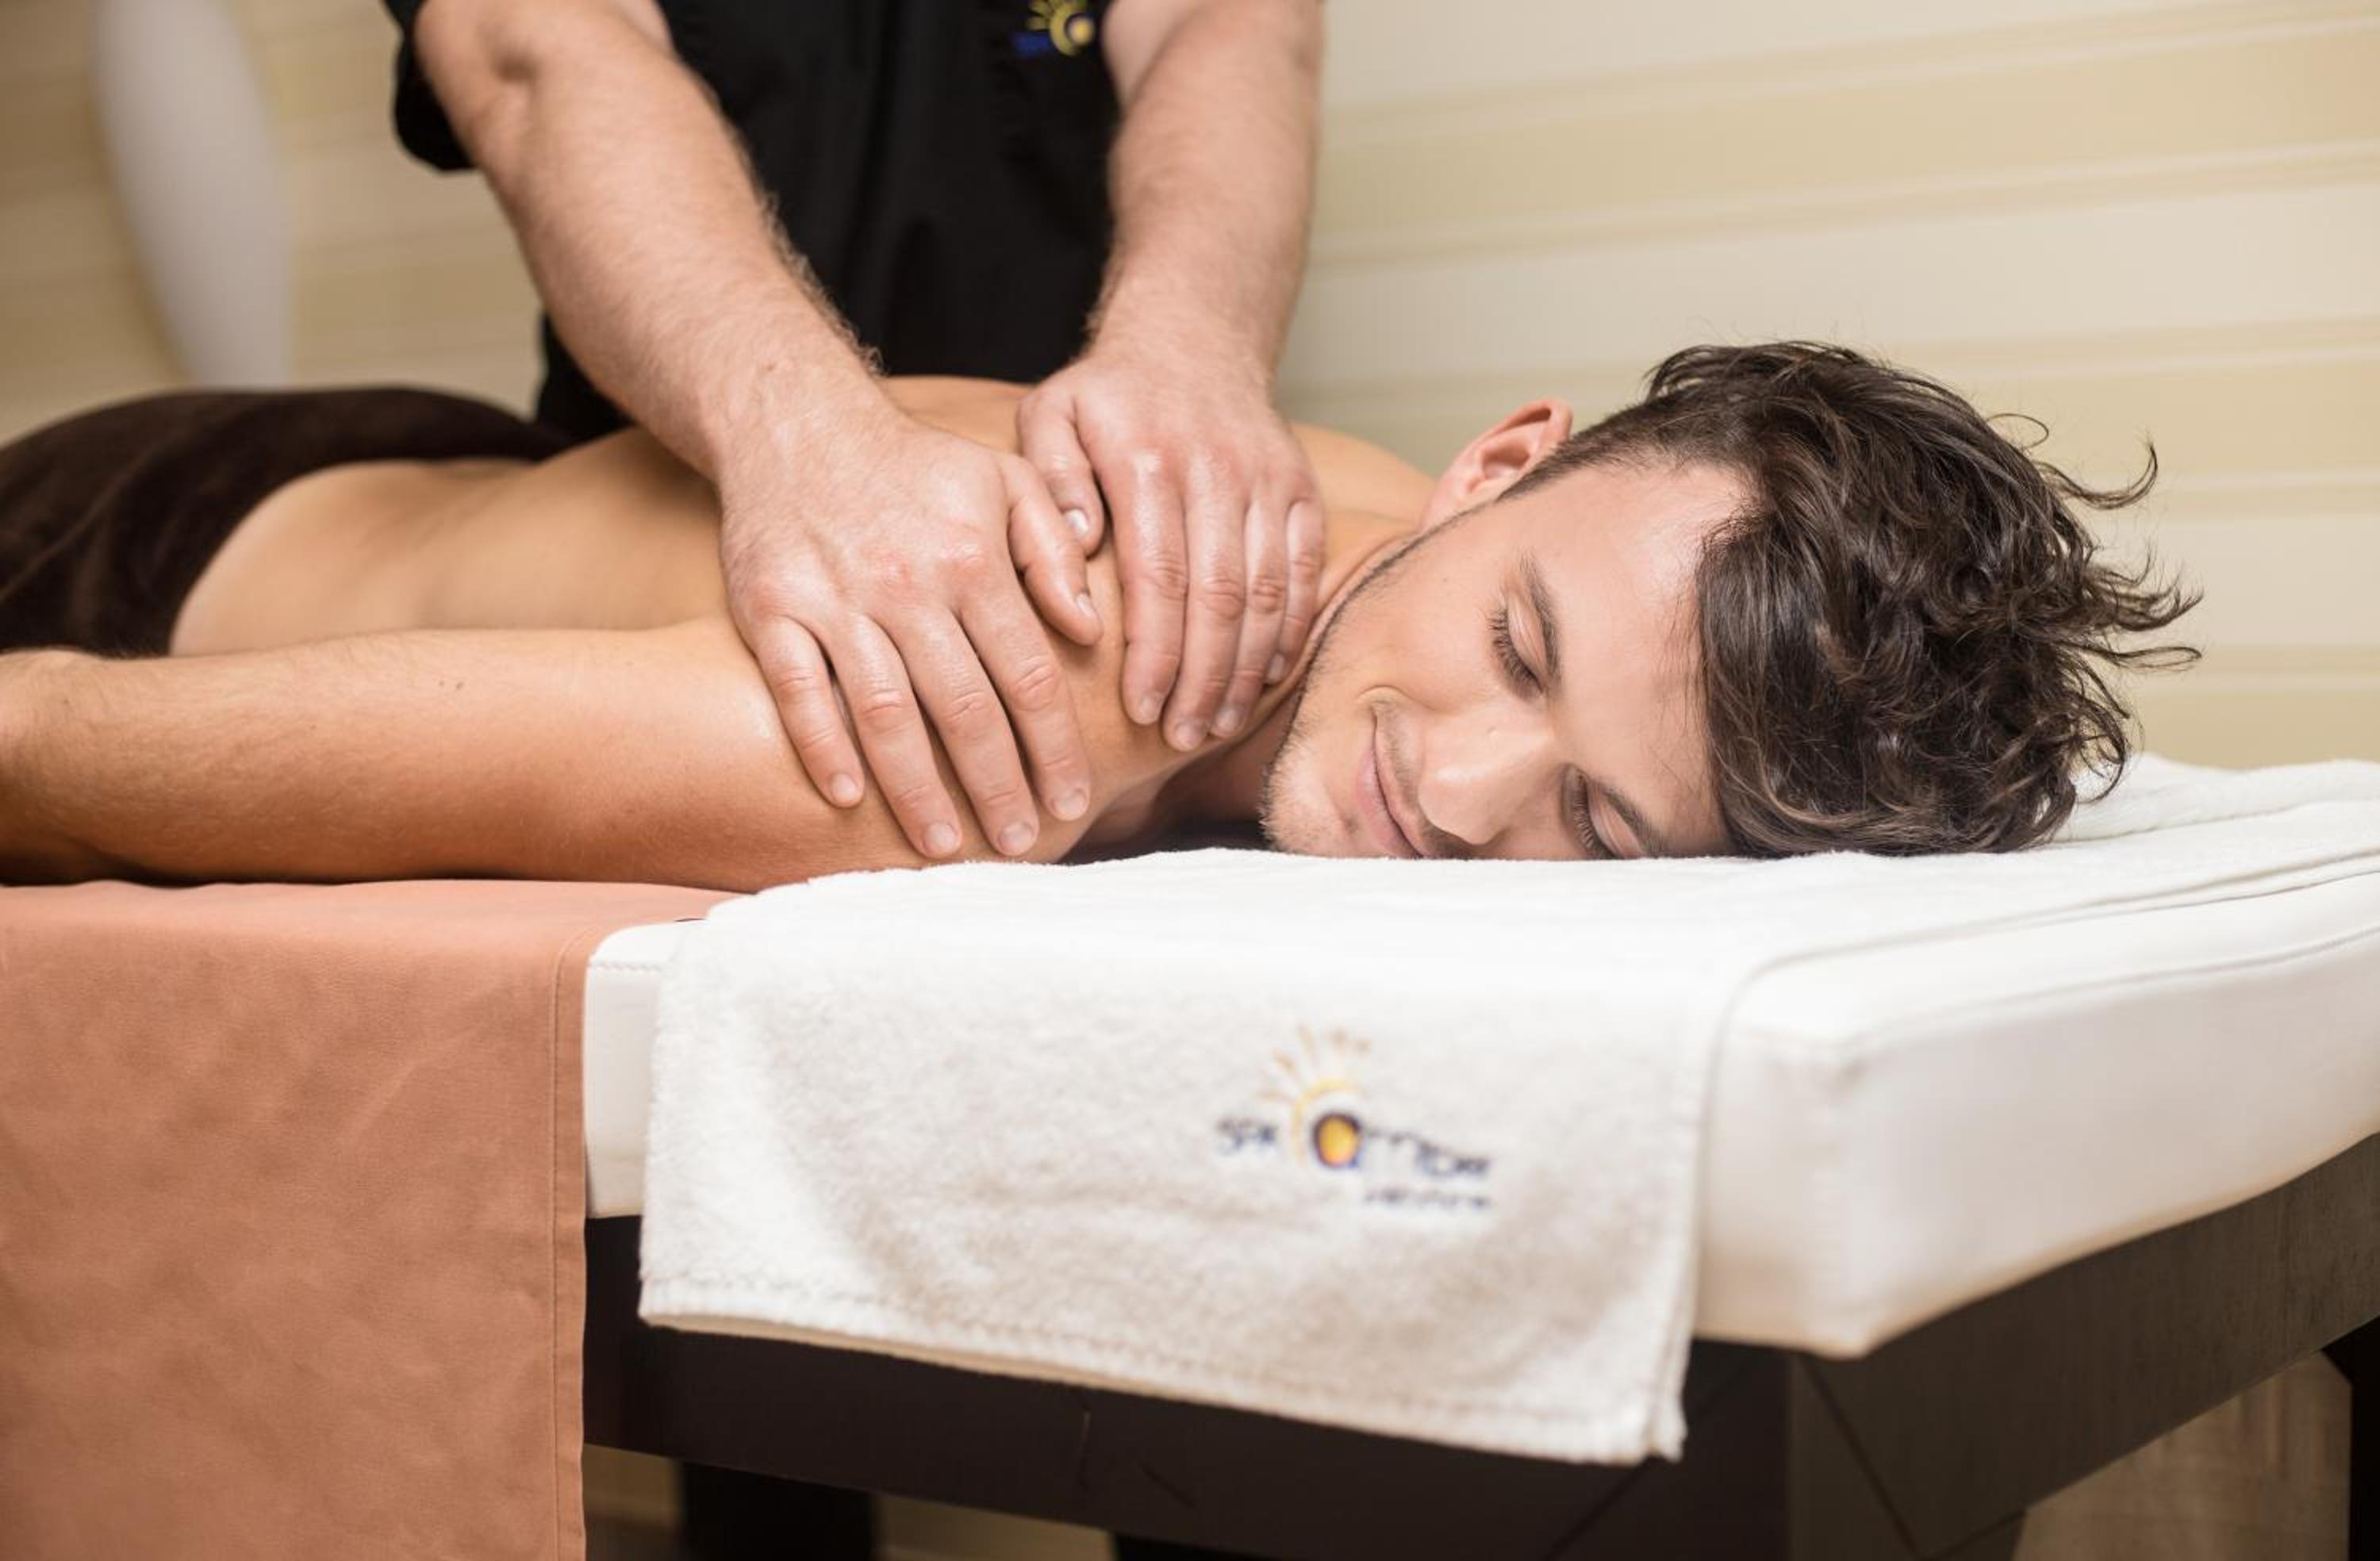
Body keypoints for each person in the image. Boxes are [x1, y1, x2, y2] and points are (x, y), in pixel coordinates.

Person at [0, 343, 2200, 886]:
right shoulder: (1042, 691)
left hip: (467, 469)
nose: (1456, 790)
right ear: (1498, 461)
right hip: (150, 540)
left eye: (1598, 823)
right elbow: (81, 751)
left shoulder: (1400, 544)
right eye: (1517, 652)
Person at [382, 0, 1332, 878]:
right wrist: (797, 436)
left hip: (1076, 479)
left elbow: (1225, 22)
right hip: (651, 478)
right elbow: (534, 50)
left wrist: (1191, 345)